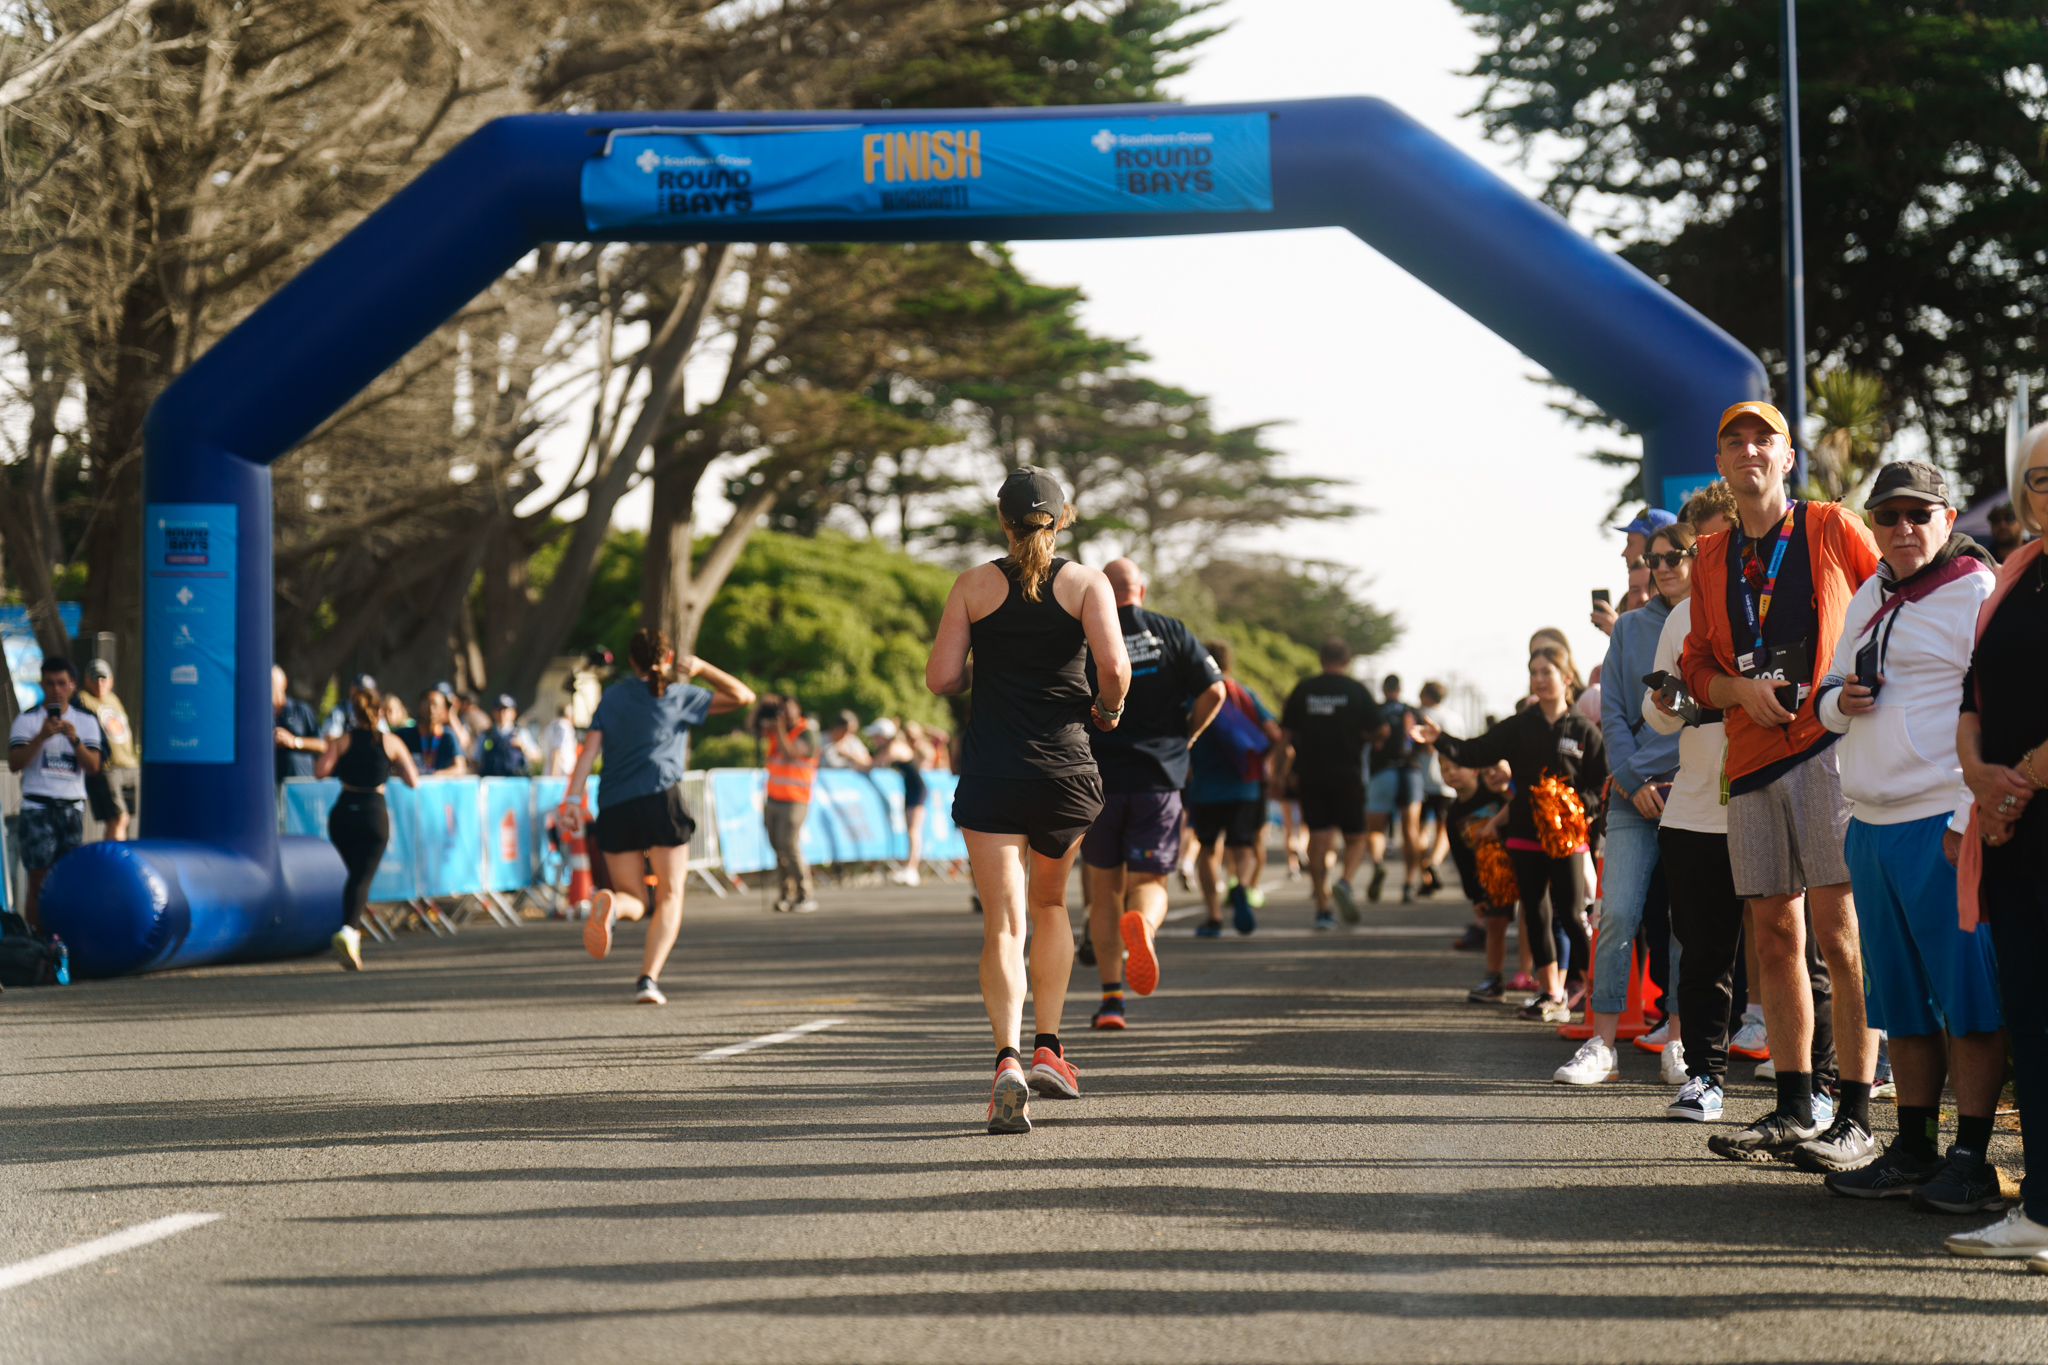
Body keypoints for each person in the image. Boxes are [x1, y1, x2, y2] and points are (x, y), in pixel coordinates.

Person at [1680, 399, 1880, 1163]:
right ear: (1723, 464)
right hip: (1751, 755)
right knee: (1774, 934)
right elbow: (1697, 663)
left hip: (1828, 748)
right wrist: (1737, 691)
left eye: (1764, 437)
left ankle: (1855, 1113)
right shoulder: (1709, 554)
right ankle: (1795, 1105)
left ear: (1787, 456)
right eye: (1735, 440)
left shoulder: (1831, 526)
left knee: (1839, 932)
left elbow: (1892, 597)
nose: (1750, 450)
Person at [1807, 460, 2005, 1200]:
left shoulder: (1976, 592)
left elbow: (2001, 710)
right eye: (1887, 516)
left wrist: (1966, 815)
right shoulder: (1866, 593)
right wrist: (1838, 705)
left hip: (1943, 823)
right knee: (1902, 1002)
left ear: (1948, 518)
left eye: (1919, 514)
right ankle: (1915, 1147)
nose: (1902, 528)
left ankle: (1972, 1158)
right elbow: (1828, 690)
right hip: (1872, 823)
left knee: (1969, 999)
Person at [925, 465, 1128, 1134]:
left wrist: (989, 665)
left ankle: (1006, 1060)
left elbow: (942, 677)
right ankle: (1051, 1049)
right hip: (1064, 774)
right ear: (1062, 518)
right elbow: (1116, 668)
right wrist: (1106, 708)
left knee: (1003, 922)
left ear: (1002, 521)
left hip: (992, 773)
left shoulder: (974, 585)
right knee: (1049, 904)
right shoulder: (1085, 582)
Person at [1944, 420, 2048, 1260]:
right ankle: (2042, 1208)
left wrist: (2023, 778)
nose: (2047, 490)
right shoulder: (2018, 574)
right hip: (2011, 831)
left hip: (2030, 809)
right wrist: (1982, 776)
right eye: (2038, 479)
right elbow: (1973, 690)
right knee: (2032, 1018)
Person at [1555, 522, 1693, 1087]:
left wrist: (1680, 780)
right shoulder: (1631, 627)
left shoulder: (1715, 619)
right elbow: (1611, 712)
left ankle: (1681, 1042)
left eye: (1673, 556)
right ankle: (1602, 1043)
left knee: (1689, 924)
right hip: (1632, 794)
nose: (1661, 567)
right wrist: (1634, 778)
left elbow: (1709, 710)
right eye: (1654, 559)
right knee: (1616, 916)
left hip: (1696, 793)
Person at [1414, 645, 1605, 1023]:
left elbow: (1600, 786)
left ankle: (1591, 988)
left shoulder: (1583, 728)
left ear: (1566, 677)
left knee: (1569, 912)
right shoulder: (1520, 725)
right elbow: (1476, 750)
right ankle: (1550, 992)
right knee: (1534, 910)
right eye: (1533, 672)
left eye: (1546, 672)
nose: (1539, 679)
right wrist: (1440, 739)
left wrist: (1573, 807)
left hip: (1566, 838)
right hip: (1523, 833)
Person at [564, 626, 753, 1004]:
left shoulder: (612, 697)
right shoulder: (678, 694)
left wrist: (572, 799)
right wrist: (701, 668)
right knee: (669, 896)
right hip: (660, 800)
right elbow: (744, 697)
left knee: (633, 896)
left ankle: (612, 905)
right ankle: (647, 979)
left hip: (615, 803)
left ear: (632, 660)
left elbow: (588, 752)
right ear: (667, 658)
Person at [1077, 558, 1224, 1030]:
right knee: (1149, 884)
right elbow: (1215, 691)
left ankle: (1111, 999)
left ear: (1102, 588)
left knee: (1103, 891)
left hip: (1098, 780)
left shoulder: (1086, 634)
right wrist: (1189, 735)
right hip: (1159, 778)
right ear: (1142, 587)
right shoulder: (1171, 631)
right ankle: (1143, 924)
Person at [314, 684, 422, 970]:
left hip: (344, 812)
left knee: (353, 877)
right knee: (361, 878)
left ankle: (350, 933)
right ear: (379, 711)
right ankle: (349, 931)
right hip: (373, 813)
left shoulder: (343, 740)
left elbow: (320, 771)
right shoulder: (391, 742)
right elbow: (414, 780)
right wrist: (393, 767)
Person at [1274, 639, 1375, 928]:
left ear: (1320, 659)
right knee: (1356, 838)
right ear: (1347, 660)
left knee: (1319, 840)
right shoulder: (1356, 691)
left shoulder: (1304, 689)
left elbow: (1284, 738)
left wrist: (1277, 776)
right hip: (1348, 776)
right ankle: (1344, 881)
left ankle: (1322, 908)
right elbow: (1380, 729)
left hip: (1311, 777)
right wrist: (1364, 737)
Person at [1186, 639, 1282, 939]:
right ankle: (1240, 886)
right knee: (1244, 847)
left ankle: (1213, 916)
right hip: (1244, 785)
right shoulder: (1245, 693)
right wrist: (1258, 760)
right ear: (1228, 663)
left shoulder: (1193, 695)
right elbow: (1273, 734)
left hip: (1204, 784)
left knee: (1207, 849)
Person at [7, 656, 103, 931]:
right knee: (38, 880)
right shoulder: (27, 720)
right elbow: (15, 763)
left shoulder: (85, 721)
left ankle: (64, 941)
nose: (56, 689)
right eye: (50, 683)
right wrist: (40, 737)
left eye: (62, 683)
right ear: (42, 685)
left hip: (70, 809)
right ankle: (37, 943)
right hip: (37, 808)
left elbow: (94, 766)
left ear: (72, 686)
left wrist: (74, 740)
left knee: (68, 879)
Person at [1364, 674, 1426, 904]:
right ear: (1399, 689)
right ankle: (1409, 883)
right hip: (1410, 770)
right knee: (1411, 830)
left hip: (1382, 771)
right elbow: (1425, 744)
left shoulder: (1375, 711)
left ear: (1383, 689)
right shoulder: (1411, 711)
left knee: (1375, 829)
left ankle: (1378, 864)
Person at [761, 694, 819, 912]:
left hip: (796, 800)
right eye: (780, 711)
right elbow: (752, 726)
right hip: (774, 797)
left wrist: (779, 729)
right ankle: (787, 894)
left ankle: (806, 895)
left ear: (798, 709)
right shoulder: (777, 731)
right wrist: (761, 706)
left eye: (787, 709)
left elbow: (789, 753)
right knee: (778, 848)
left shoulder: (807, 733)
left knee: (790, 845)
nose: (783, 715)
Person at [77, 658, 139, 840]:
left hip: (128, 765)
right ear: (86, 679)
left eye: (103, 678)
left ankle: (116, 856)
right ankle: (114, 862)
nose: (99, 682)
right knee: (118, 818)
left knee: (124, 819)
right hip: (107, 768)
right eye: (94, 678)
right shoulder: (82, 699)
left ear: (111, 680)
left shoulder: (113, 699)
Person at [869, 718, 932, 885]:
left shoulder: (895, 747)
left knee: (913, 830)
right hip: (911, 790)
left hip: (917, 790)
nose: (873, 740)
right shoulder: (895, 745)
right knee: (910, 829)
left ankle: (912, 869)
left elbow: (872, 764)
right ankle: (909, 867)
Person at [1593, 509, 1676, 634]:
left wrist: (1621, 634)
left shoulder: (1684, 606)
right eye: (1635, 590)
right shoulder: (1628, 605)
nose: (1624, 553)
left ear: (1654, 545)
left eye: (1630, 543)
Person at [273, 665, 322, 787]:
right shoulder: (258, 716)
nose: (269, 685)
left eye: (272, 681)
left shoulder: (301, 710)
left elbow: (322, 745)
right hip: (270, 788)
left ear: (284, 683)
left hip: (300, 791)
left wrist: (294, 741)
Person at [404, 688, 468, 775]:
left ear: (444, 710)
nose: (431, 709)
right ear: (418, 707)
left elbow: (459, 768)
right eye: (427, 704)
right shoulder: (405, 735)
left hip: (437, 786)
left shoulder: (448, 736)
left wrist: (434, 776)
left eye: (436, 705)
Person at [474, 694, 539, 777]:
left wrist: (523, 747)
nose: (502, 713)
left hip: (515, 781)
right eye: (499, 709)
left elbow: (537, 756)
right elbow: (476, 759)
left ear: (513, 712)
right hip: (491, 781)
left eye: (505, 710)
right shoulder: (485, 734)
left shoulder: (521, 733)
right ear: (493, 712)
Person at [539, 702, 578, 777]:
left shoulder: (551, 726)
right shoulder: (563, 726)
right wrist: (555, 778)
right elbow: (556, 751)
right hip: (561, 773)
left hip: (549, 771)